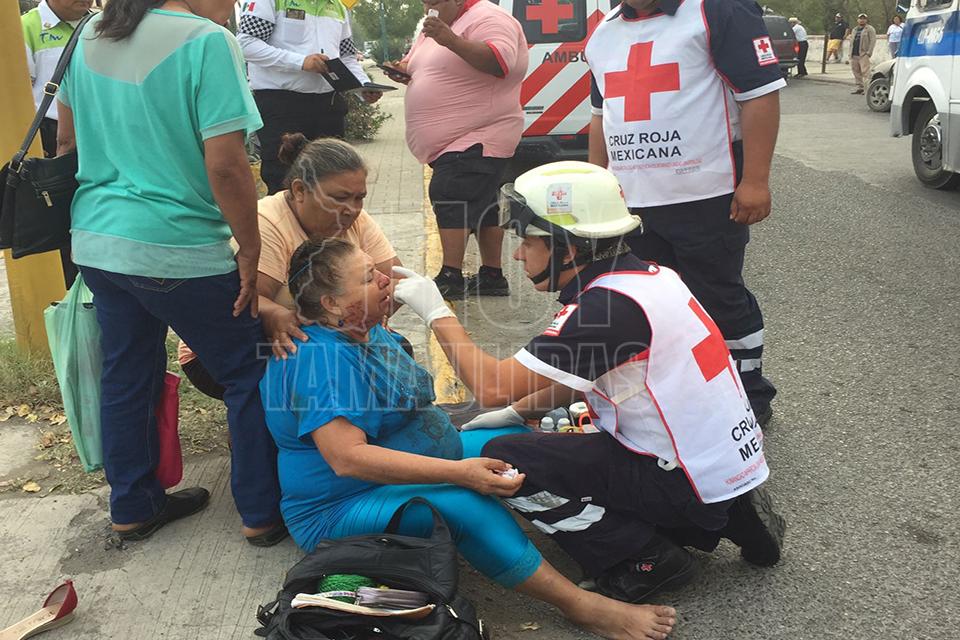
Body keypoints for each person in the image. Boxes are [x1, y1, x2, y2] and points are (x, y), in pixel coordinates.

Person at [392, 161, 786, 605]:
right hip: (723, 460)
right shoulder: (653, 279)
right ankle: (732, 512)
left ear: (568, 248)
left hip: (677, 477)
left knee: (506, 459)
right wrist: (521, 410)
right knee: (560, 430)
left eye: (527, 241)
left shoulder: (604, 310)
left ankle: (643, 557)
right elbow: (589, 374)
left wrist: (437, 312)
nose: (518, 256)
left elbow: (492, 386)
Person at [260, 236, 679, 640]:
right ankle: (582, 606)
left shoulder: (364, 327)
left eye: (376, 270)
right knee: (462, 505)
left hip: (429, 460)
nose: (386, 278)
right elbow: (348, 459)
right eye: (370, 278)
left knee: (519, 445)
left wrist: (504, 421)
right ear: (332, 303)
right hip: (340, 506)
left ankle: (629, 541)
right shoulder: (320, 360)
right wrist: (460, 473)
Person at [55, 0, 284, 545]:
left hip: (99, 242)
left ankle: (132, 506)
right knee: (248, 371)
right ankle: (261, 512)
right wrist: (249, 247)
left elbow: (66, 143)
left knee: (127, 372)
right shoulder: (206, 41)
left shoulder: (88, 33)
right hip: (178, 247)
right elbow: (226, 164)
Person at [585, 0, 782, 426]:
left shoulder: (717, 11)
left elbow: (760, 94)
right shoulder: (604, 32)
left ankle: (747, 393)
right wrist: (594, 185)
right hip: (633, 203)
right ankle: (678, 392)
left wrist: (756, 180)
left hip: (705, 195)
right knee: (652, 305)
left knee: (718, 297)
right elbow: (601, 117)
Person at [179, 134, 402, 399]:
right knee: (327, 374)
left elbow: (398, 280)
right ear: (299, 191)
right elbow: (245, 303)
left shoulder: (355, 219)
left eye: (359, 198)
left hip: (320, 339)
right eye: (340, 197)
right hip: (223, 352)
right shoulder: (267, 223)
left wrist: (371, 306)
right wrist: (275, 313)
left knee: (397, 355)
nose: (352, 209)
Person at [382, 0, 528, 299]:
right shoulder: (435, 27)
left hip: (479, 133)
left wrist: (450, 39)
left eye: (434, 2)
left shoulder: (489, 17)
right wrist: (402, 70)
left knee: (449, 193)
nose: (428, 8)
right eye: (425, 2)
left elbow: (500, 61)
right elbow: (420, 64)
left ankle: (451, 276)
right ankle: (492, 276)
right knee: (485, 204)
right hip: (458, 139)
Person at [237, 0, 382, 194]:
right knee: (285, 183)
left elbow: (346, 56)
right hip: (282, 106)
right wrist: (300, 62)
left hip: (329, 106)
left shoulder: (338, 6)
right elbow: (246, 44)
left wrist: (363, 87)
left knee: (333, 183)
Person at [21, 0, 90, 288]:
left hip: (97, 132)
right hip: (51, 137)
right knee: (61, 217)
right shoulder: (27, 27)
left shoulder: (98, 24)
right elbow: (20, 92)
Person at [850, 13, 876, 95]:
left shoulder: (870, 29)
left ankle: (867, 88)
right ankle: (860, 87)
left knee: (865, 72)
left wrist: (869, 52)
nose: (862, 20)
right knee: (856, 71)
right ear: (857, 20)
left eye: (864, 18)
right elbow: (851, 42)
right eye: (860, 18)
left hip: (863, 54)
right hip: (854, 54)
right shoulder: (854, 29)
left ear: (866, 20)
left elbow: (872, 41)